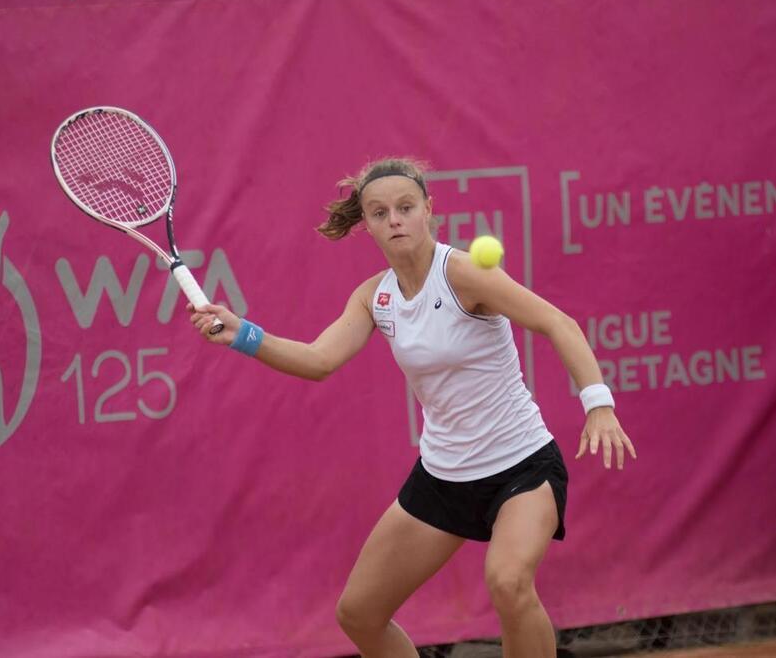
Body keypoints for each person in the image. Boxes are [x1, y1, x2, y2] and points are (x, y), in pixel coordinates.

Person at [189, 157, 636, 657]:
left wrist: (598, 404)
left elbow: (559, 324)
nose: (394, 219)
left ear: (429, 210)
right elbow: (318, 360)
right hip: (443, 476)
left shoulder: (464, 273)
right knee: (359, 614)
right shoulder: (373, 298)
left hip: (522, 466)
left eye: (405, 207)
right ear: (367, 225)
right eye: (379, 213)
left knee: (508, 583)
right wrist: (241, 334)